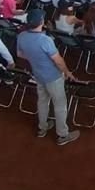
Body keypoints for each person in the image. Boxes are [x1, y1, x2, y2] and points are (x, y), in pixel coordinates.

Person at [17, 9, 80, 146]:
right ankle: (63, 135)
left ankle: (42, 127)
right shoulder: (45, 40)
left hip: (38, 74)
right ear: (41, 22)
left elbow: (20, 54)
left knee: (42, 101)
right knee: (60, 105)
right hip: (53, 76)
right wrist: (68, 73)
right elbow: (58, 61)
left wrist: (35, 58)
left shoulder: (22, 36)